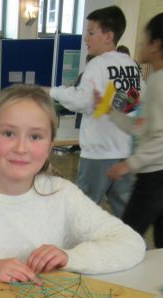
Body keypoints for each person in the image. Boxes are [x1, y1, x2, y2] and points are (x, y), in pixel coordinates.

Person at [0, 85, 145, 287]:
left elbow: (131, 243)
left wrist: (70, 257)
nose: (21, 148)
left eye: (36, 136)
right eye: (8, 133)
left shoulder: (62, 194)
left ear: (50, 145)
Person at [106, 11, 163, 248]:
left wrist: (129, 164)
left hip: (157, 177)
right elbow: (144, 128)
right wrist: (110, 113)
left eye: (145, 40)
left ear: (156, 45)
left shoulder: (161, 83)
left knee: (127, 238)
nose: (141, 45)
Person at [49, 5, 142, 218]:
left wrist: (52, 91)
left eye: (91, 32)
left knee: (84, 210)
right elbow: (135, 102)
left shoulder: (97, 65)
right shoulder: (131, 65)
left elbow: (82, 101)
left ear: (108, 36)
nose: (86, 38)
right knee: (126, 213)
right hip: (124, 151)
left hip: (98, 151)